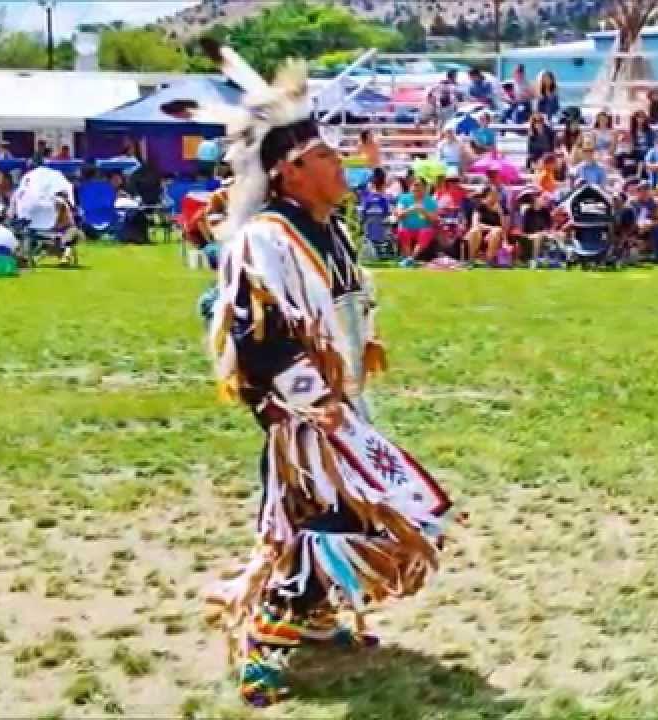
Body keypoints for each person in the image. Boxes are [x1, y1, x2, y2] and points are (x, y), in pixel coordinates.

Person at [193, 46, 453, 708]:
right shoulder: (266, 240)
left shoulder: (329, 232)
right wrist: (312, 402)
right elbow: (259, 339)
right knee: (314, 521)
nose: (343, 165)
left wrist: (349, 381)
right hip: (299, 415)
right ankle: (264, 643)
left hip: (341, 404)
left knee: (358, 511)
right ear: (290, 171)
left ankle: (309, 620)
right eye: (329, 157)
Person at [394, 177, 439, 260]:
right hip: (407, 228)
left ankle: (411, 258)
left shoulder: (431, 201)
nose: (415, 187)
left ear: (424, 188)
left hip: (423, 229)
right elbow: (399, 214)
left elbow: (434, 220)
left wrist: (424, 211)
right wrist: (411, 209)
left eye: (418, 185)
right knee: (402, 231)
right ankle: (409, 258)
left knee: (427, 231)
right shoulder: (404, 198)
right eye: (414, 185)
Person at [628, 181, 658, 263]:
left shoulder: (657, 202)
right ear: (637, 191)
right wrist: (637, 225)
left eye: (646, 189)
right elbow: (627, 217)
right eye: (641, 190)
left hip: (651, 226)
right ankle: (631, 253)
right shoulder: (631, 202)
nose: (644, 192)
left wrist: (651, 224)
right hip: (634, 226)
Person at [463, 187, 507, 264]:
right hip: (479, 234)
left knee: (496, 231)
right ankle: (471, 259)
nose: (496, 196)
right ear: (487, 195)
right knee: (475, 230)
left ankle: (489, 260)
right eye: (493, 194)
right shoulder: (479, 207)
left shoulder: (499, 208)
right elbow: (475, 224)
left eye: (496, 194)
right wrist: (491, 228)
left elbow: (502, 227)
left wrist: (505, 242)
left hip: (494, 235)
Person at [515, 187, 556, 268]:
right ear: (536, 199)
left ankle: (554, 260)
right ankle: (535, 260)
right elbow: (522, 231)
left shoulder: (545, 211)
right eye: (543, 198)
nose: (545, 200)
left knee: (557, 235)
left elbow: (550, 227)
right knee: (538, 236)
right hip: (528, 237)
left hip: (543, 235)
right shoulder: (527, 211)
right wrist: (537, 234)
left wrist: (548, 233)